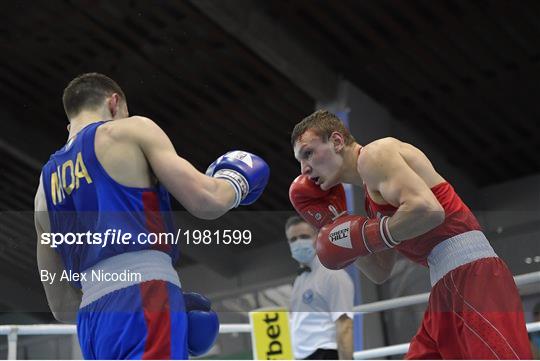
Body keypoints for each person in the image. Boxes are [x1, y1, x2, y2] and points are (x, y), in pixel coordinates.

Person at [34, 73, 269, 359]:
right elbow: (206, 201)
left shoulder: (43, 191)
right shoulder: (128, 131)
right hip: (146, 298)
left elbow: (61, 306)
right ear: (114, 103)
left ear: (69, 124)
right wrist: (238, 180)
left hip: (92, 325)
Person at [289, 109, 531, 359]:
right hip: (444, 287)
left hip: (473, 275)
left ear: (337, 141)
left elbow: (428, 210)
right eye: (299, 160)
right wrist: (335, 224)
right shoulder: (372, 199)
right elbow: (379, 271)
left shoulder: (375, 155)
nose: (304, 169)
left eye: (308, 153)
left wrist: (372, 234)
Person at [285, 215, 354, 360]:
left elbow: (345, 325)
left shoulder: (332, 275)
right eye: (293, 239)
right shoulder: (300, 280)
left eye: (304, 236)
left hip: (325, 353)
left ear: (317, 236)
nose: (298, 243)